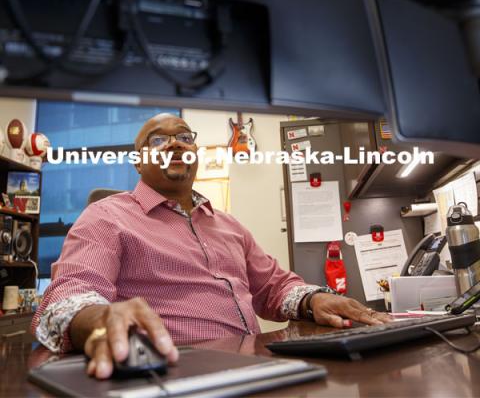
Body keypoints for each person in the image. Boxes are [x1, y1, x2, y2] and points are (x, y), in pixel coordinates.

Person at [32, 113, 390, 379]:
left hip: (254, 368)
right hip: (173, 375)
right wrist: (98, 319)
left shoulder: (229, 225)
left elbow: (275, 287)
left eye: (185, 137)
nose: (174, 143)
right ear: (138, 162)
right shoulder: (107, 217)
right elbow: (72, 292)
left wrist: (314, 299)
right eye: (157, 140)